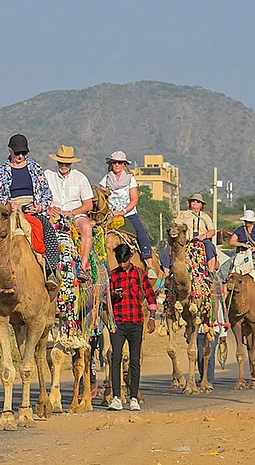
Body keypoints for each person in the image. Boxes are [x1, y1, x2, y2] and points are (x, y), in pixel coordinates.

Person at [0, 133, 59, 288]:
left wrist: (39, 206)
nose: (21, 156)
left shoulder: (36, 168)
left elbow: (46, 194)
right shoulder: (2, 171)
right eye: (17, 153)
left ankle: (50, 270)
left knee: (47, 229)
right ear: (10, 150)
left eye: (24, 153)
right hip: (9, 210)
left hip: (31, 208)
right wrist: (9, 205)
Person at [106, 244, 158, 412]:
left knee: (135, 361)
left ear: (130, 258)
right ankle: (116, 397)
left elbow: (151, 297)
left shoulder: (140, 275)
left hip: (136, 322)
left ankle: (133, 397)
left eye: (124, 261)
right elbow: (106, 298)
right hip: (118, 323)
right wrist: (114, 295)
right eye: (119, 261)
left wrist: (152, 318)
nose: (122, 264)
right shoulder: (113, 275)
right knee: (116, 359)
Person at [98, 151, 156, 279]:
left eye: (119, 163)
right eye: (114, 162)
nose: (116, 165)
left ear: (124, 165)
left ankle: (149, 264)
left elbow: (134, 200)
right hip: (110, 215)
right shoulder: (106, 179)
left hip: (128, 214)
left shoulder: (130, 179)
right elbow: (101, 197)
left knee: (141, 232)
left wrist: (122, 211)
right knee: (96, 233)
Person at [44, 145, 94, 281]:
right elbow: (39, 196)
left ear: (71, 163)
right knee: (45, 227)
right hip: (53, 214)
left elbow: (88, 205)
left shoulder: (80, 178)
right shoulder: (48, 175)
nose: (64, 166)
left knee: (87, 227)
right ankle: (48, 265)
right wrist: (49, 208)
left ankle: (82, 267)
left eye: (67, 163)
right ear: (57, 162)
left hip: (75, 214)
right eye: (61, 162)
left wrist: (71, 212)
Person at [219, 210, 255, 297]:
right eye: (246, 221)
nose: (247, 222)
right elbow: (232, 242)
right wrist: (242, 244)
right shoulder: (239, 230)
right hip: (241, 253)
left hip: (254, 253)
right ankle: (221, 286)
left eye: (249, 221)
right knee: (225, 266)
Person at [174, 193, 218, 272]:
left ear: (201, 205)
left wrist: (204, 235)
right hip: (185, 240)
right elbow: (176, 226)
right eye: (193, 201)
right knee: (168, 251)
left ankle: (211, 272)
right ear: (189, 203)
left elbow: (212, 231)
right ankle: (168, 273)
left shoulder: (205, 216)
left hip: (202, 241)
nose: (195, 202)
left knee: (210, 247)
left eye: (197, 201)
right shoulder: (183, 214)